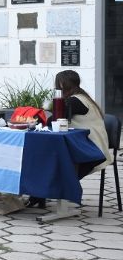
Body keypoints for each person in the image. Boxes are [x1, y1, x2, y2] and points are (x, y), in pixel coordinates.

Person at [27, 70, 112, 208]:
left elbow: (54, 120)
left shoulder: (75, 101)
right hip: (88, 146)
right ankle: (38, 194)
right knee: (49, 156)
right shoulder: (83, 97)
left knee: (47, 158)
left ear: (61, 84)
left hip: (91, 152)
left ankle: (38, 194)